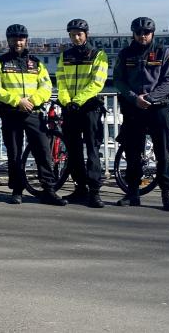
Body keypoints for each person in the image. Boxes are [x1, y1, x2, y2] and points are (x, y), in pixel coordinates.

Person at [0, 24, 66, 206]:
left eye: (21, 38)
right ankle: (17, 190)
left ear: (26, 40)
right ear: (9, 41)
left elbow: (47, 87)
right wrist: (18, 101)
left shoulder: (36, 63)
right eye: (14, 38)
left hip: (33, 112)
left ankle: (49, 190)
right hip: (11, 113)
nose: (18, 41)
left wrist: (32, 101)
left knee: (42, 151)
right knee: (14, 153)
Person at [114, 17, 169, 212]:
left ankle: (167, 193)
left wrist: (149, 98)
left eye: (146, 32)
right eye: (139, 32)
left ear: (152, 34)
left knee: (163, 153)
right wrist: (135, 98)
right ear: (133, 33)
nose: (143, 36)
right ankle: (132, 193)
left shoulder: (163, 52)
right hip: (133, 108)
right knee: (133, 152)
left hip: (158, 108)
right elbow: (118, 80)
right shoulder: (125, 54)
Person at [57, 18, 109, 208]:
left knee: (93, 150)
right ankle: (80, 188)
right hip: (70, 108)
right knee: (74, 150)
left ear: (86, 34)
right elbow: (61, 81)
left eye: (79, 34)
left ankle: (95, 191)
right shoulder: (66, 55)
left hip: (89, 108)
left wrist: (78, 100)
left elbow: (97, 83)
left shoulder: (98, 54)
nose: (76, 38)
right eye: (72, 35)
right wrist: (66, 101)